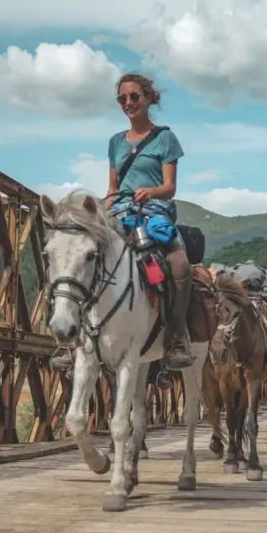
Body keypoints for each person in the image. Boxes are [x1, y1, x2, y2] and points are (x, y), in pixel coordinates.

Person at [104, 73, 193, 369]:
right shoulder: (115, 142)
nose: (128, 103)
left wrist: (150, 192)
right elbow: (113, 189)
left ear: (148, 98)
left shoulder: (165, 138)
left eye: (134, 97)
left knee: (179, 264)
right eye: (122, 99)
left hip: (153, 211)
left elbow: (170, 187)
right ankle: (76, 336)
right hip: (120, 211)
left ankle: (177, 336)